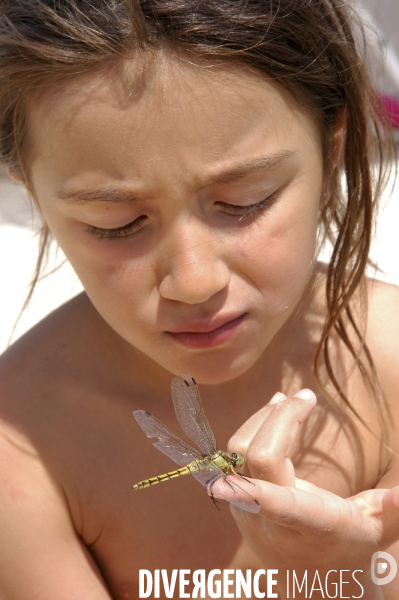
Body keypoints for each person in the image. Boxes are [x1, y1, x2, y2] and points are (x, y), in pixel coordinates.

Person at [0, 0, 398, 598]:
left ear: (333, 151)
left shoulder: (391, 366)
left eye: (245, 201)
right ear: (29, 187)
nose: (193, 281)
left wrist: (347, 575)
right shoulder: (19, 448)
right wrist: (284, 576)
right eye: (117, 223)